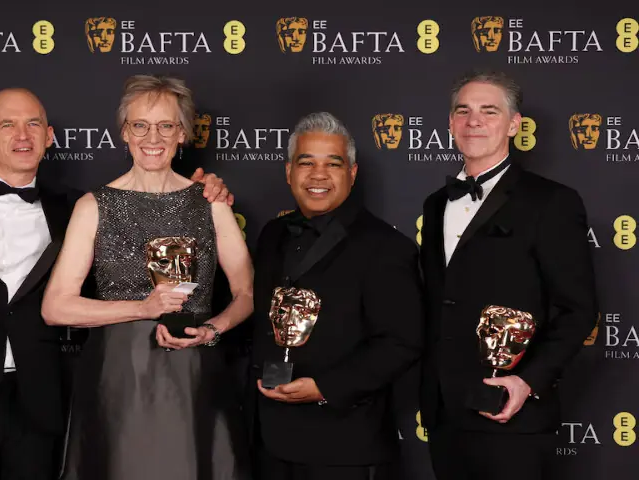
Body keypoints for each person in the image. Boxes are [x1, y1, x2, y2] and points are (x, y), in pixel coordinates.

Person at [0, 87, 232, 480]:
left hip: (39, 398)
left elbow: (148, 214)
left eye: (33, 123)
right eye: (8, 125)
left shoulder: (77, 205)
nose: (23, 135)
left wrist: (205, 190)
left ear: (49, 136)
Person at [41, 74, 254, 480]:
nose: (151, 136)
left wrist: (213, 328)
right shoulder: (94, 206)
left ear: (183, 134)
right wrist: (142, 307)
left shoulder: (211, 202)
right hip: (118, 379)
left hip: (193, 376)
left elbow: (246, 292)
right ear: (124, 132)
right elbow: (55, 307)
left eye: (166, 125)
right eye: (140, 125)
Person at [418, 69, 598, 480]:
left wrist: (527, 382)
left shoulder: (552, 202)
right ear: (449, 124)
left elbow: (578, 310)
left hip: (512, 412)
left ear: (514, 125)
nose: (473, 121)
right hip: (445, 410)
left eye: (488, 111)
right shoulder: (433, 205)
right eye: (462, 111)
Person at [247, 112, 424, 480]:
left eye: (333, 163)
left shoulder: (386, 247)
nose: (318, 175)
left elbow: (403, 342)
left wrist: (325, 388)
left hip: (345, 447)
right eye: (306, 162)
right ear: (288, 172)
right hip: (269, 442)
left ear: (352, 173)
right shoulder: (272, 234)